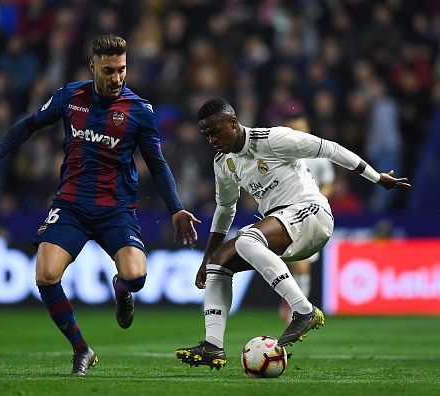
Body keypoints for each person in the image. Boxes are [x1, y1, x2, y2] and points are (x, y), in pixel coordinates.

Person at [0, 34, 199, 376]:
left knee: (136, 277)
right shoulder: (70, 96)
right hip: (72, 206)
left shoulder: (139, 110)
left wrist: (176, 207)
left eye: (122, 69)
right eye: (108, 70)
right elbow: (30, 124)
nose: (117, 77)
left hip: (116, 209)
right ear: (93, 66)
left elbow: (157, 163)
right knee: (46, 276)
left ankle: (122, 290)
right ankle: (81, 349)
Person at [175, 98, 409, 369]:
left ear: (232, 122)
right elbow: (225, 209)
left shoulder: (273, 139)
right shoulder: (223, 163)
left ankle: (304, 310)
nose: (212, 140)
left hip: (312, 213)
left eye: (215, 131)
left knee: (248, 239)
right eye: (206, 135)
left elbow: (330, 149)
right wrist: (207, 256)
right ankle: (213, 346)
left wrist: (376, 177)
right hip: (284, 227)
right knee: (219, 263)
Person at [279, 108, 336, 324]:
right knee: (289, 265)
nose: (297, 133)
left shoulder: (318, 155)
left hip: (309, 215)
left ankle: (298, 309)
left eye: (300, 129)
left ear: (308, 130)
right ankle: (292, 301)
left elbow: (329, 183)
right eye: (293, 129)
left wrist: (316, 200)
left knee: (302, 265)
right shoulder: (280, 153)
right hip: (283, 212)